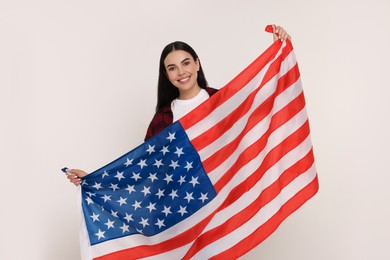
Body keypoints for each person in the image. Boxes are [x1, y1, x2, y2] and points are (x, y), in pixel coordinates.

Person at [66, 25, 291, 186]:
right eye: (172, 68)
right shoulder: (163, 119)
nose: (181, 72)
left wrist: (278, 53)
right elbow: (143, 168)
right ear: (167, 74)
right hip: (186, 208)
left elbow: (261, 111)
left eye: (186, 63)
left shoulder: (222, 101)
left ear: (197, 63)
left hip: (225, 200)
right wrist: (93, 180)